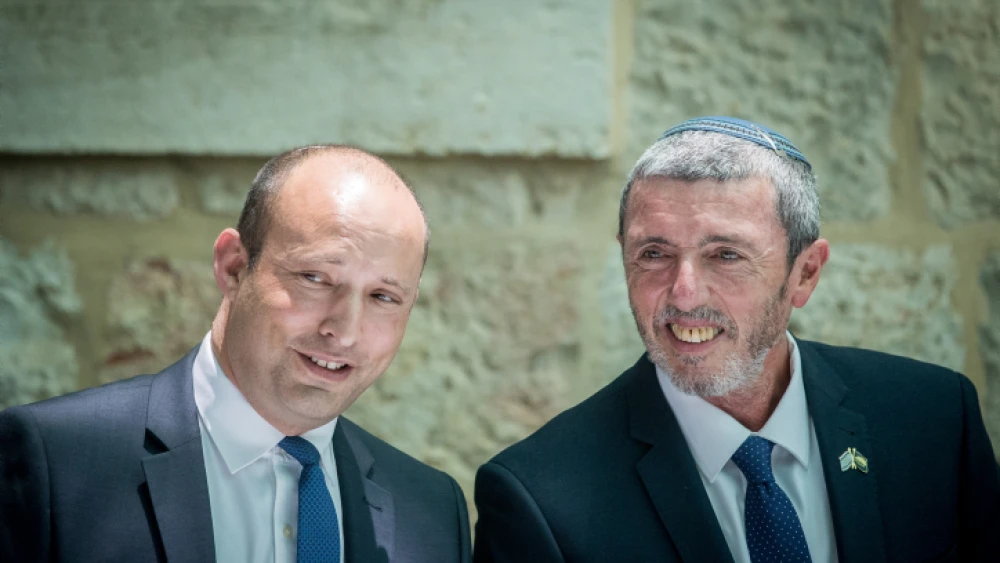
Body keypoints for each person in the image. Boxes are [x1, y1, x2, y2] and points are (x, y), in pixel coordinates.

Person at [473, 116, 1000, 563]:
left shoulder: (932, 422)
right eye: (653, 253)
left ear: (806, 273)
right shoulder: (540, 497)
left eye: (726, 255)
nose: (683, 294)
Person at [0, 145, 471, 563]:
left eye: (383, 297)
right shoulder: (57, 464)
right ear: (233, 267)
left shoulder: (432, 512)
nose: (344, 332)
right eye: (316, 278)